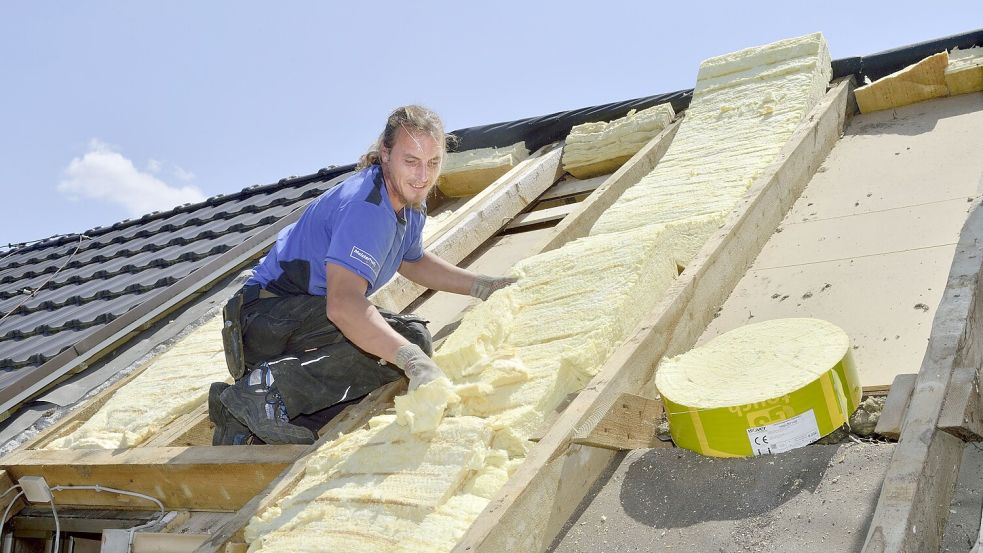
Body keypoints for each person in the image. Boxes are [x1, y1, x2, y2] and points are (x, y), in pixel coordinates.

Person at [210, 105, 515, 445]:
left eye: (433, 163)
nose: (422, 176)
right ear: (385, 154)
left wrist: (482, 286)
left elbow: (411, 261)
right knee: (404, 342)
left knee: (397, 343)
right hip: (265, 318)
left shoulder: (410, 201)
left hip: (292, 323)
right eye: (411, 161)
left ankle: (242, 416)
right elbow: (342, 306)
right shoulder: (366, 209)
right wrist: (414, 361)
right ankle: (266, 389)